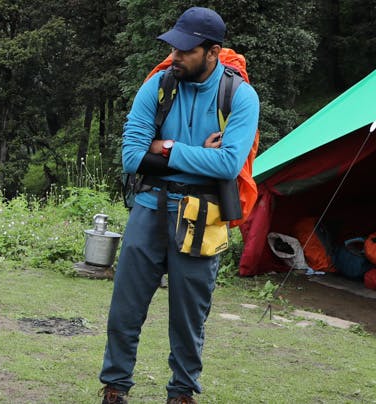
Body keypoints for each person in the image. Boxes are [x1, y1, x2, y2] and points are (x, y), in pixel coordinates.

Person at [100, 7, 258, 404]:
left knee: (189, 316)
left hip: (203, 215)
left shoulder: (239, 96)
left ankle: (182, 393)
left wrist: (165, 147)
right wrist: (190, 154)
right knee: (125, 310)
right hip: (149, 206)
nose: (175, 57)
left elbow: (227, 163)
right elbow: (131, 157)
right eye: (173, 47)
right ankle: (115, 387)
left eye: (186, 50)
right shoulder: (156, 85)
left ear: (213, 51)